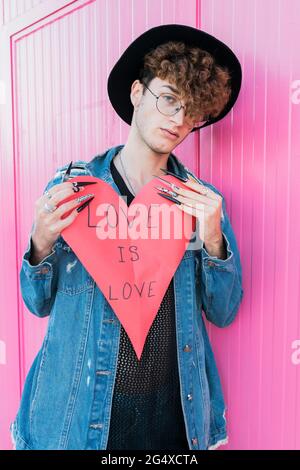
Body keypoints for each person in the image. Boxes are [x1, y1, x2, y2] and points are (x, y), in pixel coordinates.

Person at [10, 24, 243, 450]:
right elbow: (36, 303)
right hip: (78, 416)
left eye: (191, 111)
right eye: (169, 99)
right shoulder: (74, 190)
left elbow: (224, 312)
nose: (177, 120)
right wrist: (40, 243)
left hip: (174, 416)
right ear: (137, 92)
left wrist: (213, 237)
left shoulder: (200, 202)